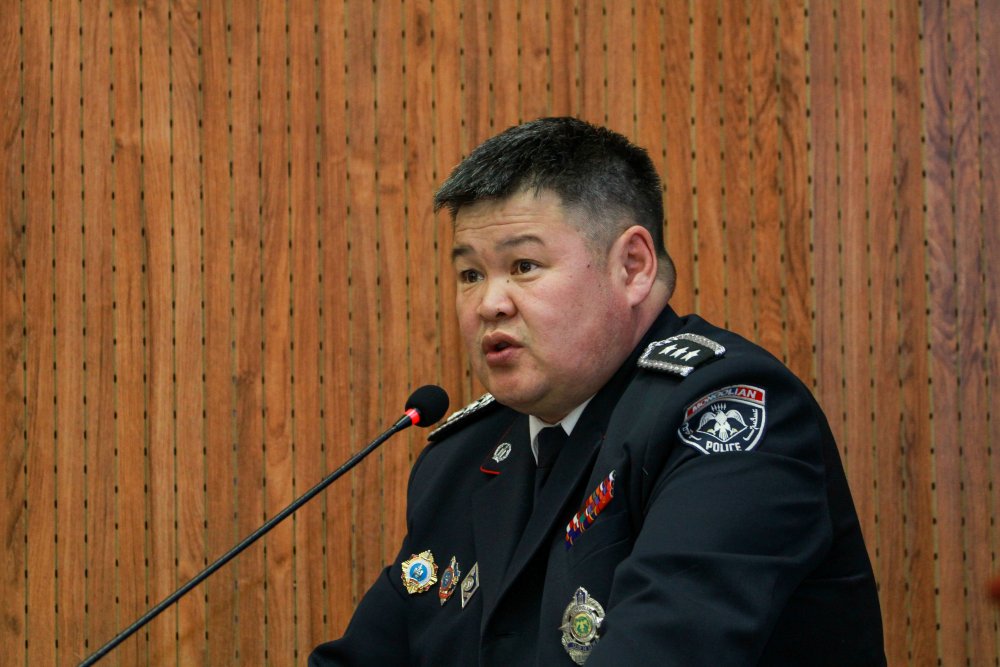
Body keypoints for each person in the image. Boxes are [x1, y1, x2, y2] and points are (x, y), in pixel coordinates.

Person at [309, 117, 885, 665]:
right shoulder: (458, 462)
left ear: (632, 267)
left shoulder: (724, 416)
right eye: (471, 275)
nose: (490, 303)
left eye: (524, 265)